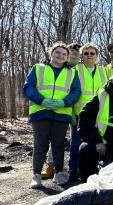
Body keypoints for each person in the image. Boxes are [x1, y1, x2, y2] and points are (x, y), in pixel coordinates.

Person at [23, 41, 81, 188]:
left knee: (58, 145)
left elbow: (76, 92)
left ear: (67, 57)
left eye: (64, 54)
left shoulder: (72, 73)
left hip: (61, 113)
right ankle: (36, 175)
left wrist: (64, 102)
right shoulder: (38, 68)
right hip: (40, 112)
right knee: (40, 144)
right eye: (57, 52)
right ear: (51, 53)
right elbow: (28, 87)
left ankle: (59, 172)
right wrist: (41, 100)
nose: (60, 56)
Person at [67, 43, 109, 183]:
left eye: (92, 53)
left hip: (100, 115)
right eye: (86, 53)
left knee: (97, 142)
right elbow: (68, 92)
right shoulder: (74, 71)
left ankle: (95, 170)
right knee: (76, 143)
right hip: (80, 114)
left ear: (97, 55)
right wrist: (71, 113)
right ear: (81, 55)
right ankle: (73, 170)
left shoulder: (104, 71)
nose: (89, 56)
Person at [41, 43, 82, 179]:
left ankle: (73, 167)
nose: (74, 54)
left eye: (77, 52)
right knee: (55, 140)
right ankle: (52, 166)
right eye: (72, 51)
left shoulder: (80, 69)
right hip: (58, 108)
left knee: (74, 141)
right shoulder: (58, 67)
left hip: (76, 110)